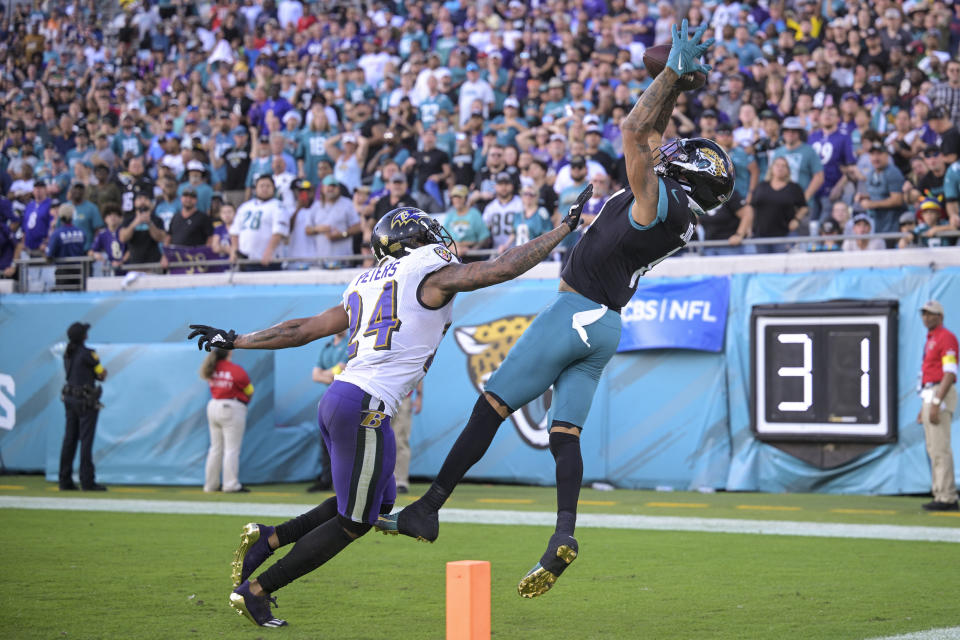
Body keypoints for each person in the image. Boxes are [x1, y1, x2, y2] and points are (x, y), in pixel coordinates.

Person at [376, 21, 729, 600]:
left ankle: (430, 508)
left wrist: (670, 75)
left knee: (489, 406)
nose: (668, 150)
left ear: (686, 173)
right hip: (606, 327)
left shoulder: (655, 196)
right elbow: (651, 132)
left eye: (679, 154)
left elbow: (636, 128)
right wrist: (673, 87)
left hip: (575, 313)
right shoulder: (676, 213)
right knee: (565, 435)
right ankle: (563, 534)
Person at [187, 195, 591, 627]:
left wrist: (238, 338)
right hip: (364, 404)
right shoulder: (426, 271)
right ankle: (257, 590)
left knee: (378, 501)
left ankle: (268, 539)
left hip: (346, 399)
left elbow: (303, 329)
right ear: (413, 241)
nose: (439, 239)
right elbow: (499, 268)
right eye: (429, 233)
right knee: (355, 521)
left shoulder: (367, 281)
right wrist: (563, 229)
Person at [917, 300, 958, 511]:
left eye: (930, 314)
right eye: (924, 313)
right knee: (933, 448)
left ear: (940, 317)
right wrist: (924, 406)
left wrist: (936, 402)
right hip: (930, 393)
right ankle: (939, 493)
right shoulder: (931, 338)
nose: (926, 317)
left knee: (940, 448)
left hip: (938, 393)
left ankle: (947, 497)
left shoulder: (946, 337)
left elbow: (949, 373)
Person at [59, 322, 107, 491]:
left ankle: (64, 480)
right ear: (84, 337)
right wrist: (99, 368)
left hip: (69, 399)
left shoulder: (67, 353)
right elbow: (101, 374)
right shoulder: (89, 354)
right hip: (85, 402)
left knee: (69, 440)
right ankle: (87, 481)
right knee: (85, 441)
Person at [200, 348, 253, 493]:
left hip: (213, 406)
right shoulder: (235, 370)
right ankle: (230, 485)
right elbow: (249, 390)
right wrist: (246, 399)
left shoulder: (211, 367)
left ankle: (210, 485)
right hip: (231, 407)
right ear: (229, 352)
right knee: (231, 449)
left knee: (215, 449)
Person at [307, 330, 350, 493]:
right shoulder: (327, 347)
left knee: (343, 441)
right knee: (325, 440)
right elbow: (315, 376)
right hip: (329, 396)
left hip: (345, 396)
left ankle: (343, 481)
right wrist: (330, 374)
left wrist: (325, 374)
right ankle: (326, 479)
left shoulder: (350, 343)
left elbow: (342, 370)